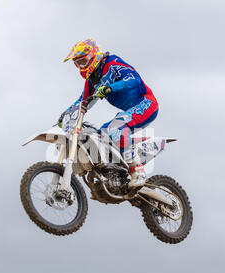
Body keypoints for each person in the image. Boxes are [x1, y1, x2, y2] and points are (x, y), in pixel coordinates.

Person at [59, 39, 159, 188]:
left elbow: (134, 79)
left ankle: (138, 171)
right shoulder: (91, 81)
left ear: (93, 56)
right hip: (129, 110)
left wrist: (111, 87)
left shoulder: (111, 63)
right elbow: (83, 102)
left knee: (116, 128)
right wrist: (66, 114)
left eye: (83, 61)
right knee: (101, 134)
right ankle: (117, 171)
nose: (81, 66)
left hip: (145, 102)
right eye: (78, 63)